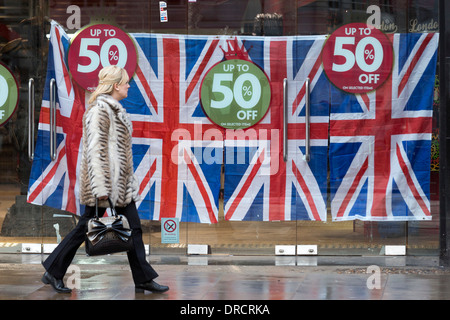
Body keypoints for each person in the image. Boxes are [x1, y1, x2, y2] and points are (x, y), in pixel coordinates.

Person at [41, 65, 169, 294]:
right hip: (105, 186)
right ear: (115, 85)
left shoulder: (114, 110)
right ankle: (53, 270)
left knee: (134, 229)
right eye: (126, 82)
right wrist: (101, 187)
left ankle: (143, 278)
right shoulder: (99, 111)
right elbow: (95, 151)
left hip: (119, 186)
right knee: (85, 229)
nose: (129, 85)